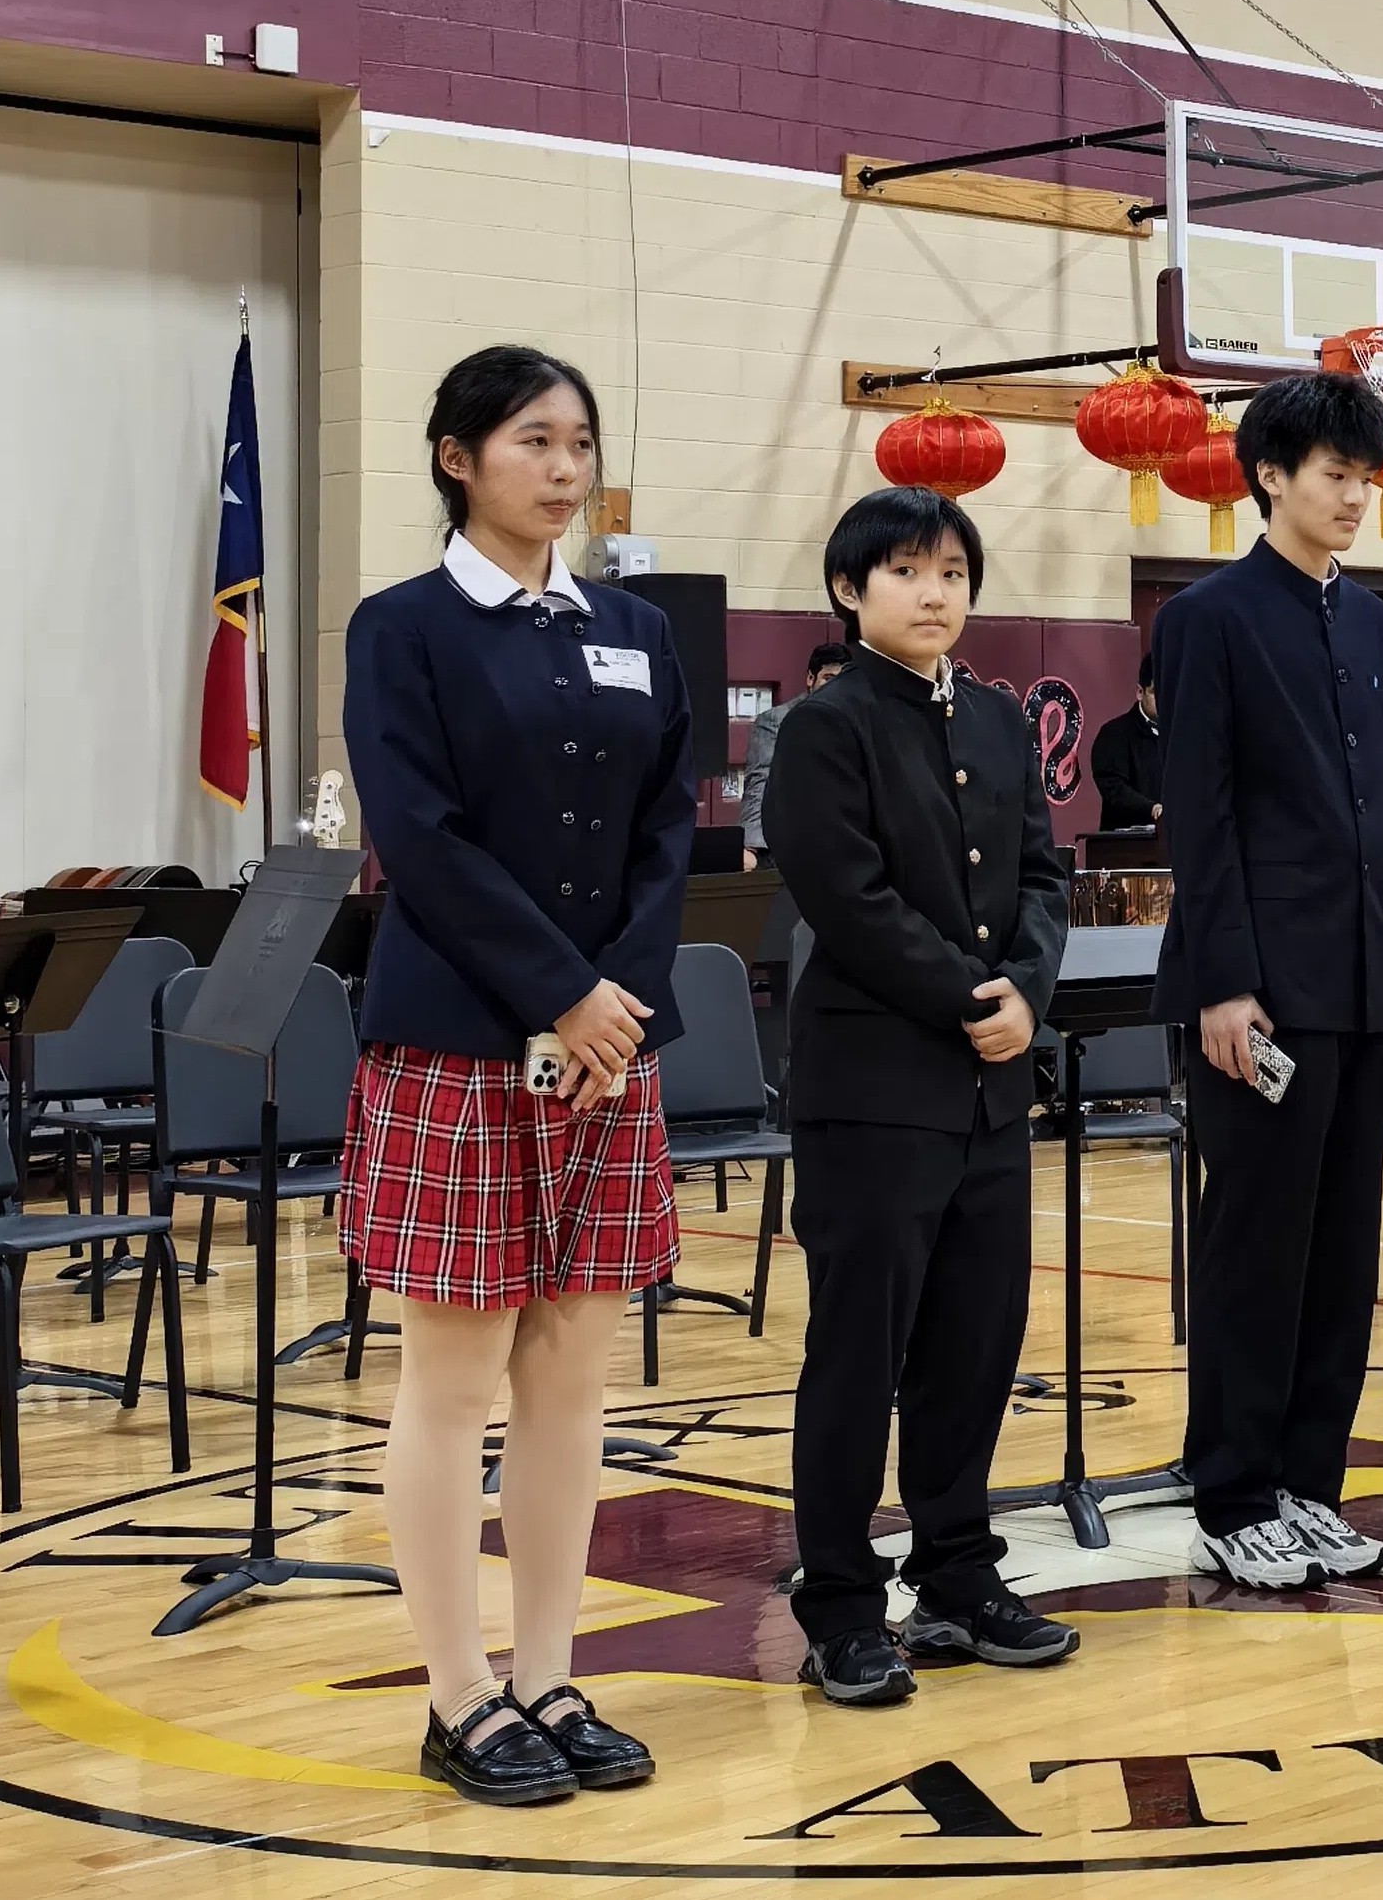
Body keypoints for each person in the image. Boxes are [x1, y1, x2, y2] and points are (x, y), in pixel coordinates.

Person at [340, 345, 692, 1805]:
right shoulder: (402, 627)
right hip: (459, 1041)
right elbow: (418, 837)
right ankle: (458, 1692)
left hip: (608, 1055)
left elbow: (675, 825)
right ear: (455, 457)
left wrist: (616, 1007)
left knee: (571, 1379)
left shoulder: (633, 629)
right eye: (532, 440)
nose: (562, 467)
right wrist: (558, 990)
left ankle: (549, 1670)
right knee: (455, 1377)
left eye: (579, 442)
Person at [761, 486, 1075, 1706]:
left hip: (990, 1090)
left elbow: (1044, 874)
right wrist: (972, 997)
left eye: (952, 570)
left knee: (972, 1346)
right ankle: (839, 1602)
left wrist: (1029, 994)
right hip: (875, 1091)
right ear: (851, 591)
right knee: (859, 1354)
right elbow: (848, 899)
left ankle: (958, 1573)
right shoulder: (825, 727)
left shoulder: (995, 720)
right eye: (905, 572)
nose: (935, 592)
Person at [1152, 370, 1383, 1591]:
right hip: (1261, 988)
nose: (1355, 497)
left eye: (1367, 478)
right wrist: (1223, 984)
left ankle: (1311, 1485)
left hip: (1371, 981)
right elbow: (1199, 819)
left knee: (1341, 1249)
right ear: (1271, 474)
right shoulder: (1210, 617)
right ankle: (1232, 1491)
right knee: (1255, 1247)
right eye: (1334, 474)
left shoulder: (1376, 625)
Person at [739, 641, 848, 869]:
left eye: (843, 679)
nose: (836, 687)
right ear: (811, 679)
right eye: (828, 678)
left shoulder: (855, 720)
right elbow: (760, 781)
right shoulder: (777, 720)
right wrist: (751, 847)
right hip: (790, 848)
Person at [1091, 654, 1167, 832]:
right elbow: (1113, 788)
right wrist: (1152, 808)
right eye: (1156, 692)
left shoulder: (1180, 736)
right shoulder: (1114, 734)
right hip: (1126, 844)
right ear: (1140, 692)